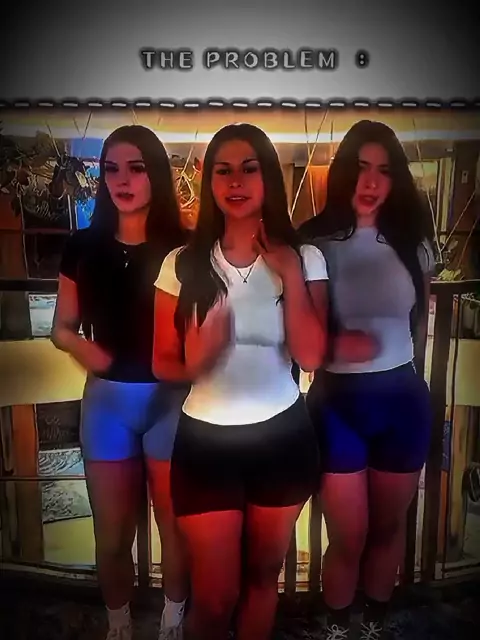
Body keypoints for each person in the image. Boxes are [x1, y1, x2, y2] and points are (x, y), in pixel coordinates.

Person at [152, 123, 329, 640]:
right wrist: (197, 363)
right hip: (205, 443)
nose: (236, 181)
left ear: (268, 177)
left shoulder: (304, 259)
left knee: (260, 580)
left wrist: (290, 274)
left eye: (249, 169)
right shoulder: (182, 264)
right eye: (223, 170)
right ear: (208, 181)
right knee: (215, 596)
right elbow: (161, 362)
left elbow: (311, 355)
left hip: (283, 437)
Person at [51, 125, 190, 640]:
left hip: (171, 402)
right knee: (111, 536)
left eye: (136, 168)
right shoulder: (82, 246)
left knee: (176, 530)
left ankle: (173, 623)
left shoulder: (185, 247)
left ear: (156, 175)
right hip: (107, 404)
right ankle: (119, 626)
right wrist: (83, 348)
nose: (122, 180)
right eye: (111, 169)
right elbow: (61, 327)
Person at [299, 120, 435, 640]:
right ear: (342, 173)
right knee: (348, 535)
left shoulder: (413, 243)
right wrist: (338, 346)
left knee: (387, 527)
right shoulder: (313, 242)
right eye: (361, 167)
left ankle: (376, 623)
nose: (372, 181)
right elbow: (297, 334)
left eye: (384, 170)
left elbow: (417, 320)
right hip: (338, 403)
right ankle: (338, 627)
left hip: (402, 399)